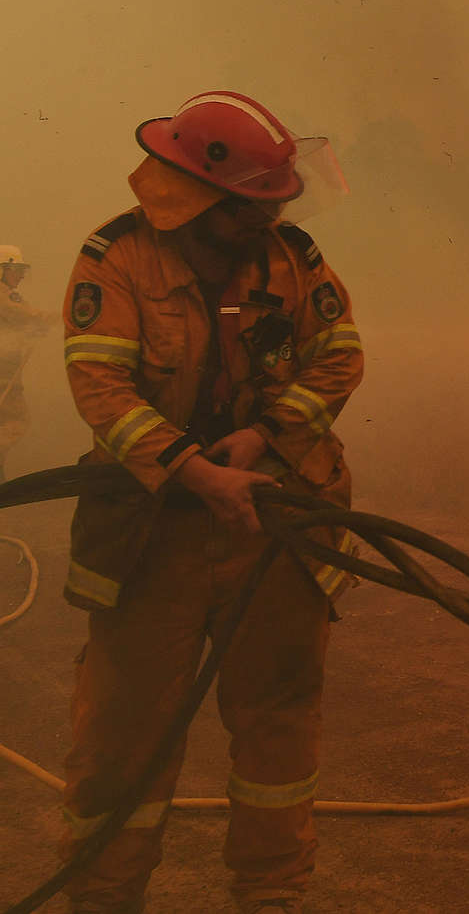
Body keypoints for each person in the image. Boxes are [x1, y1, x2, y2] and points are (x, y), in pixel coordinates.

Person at [58, 91, 363, 914]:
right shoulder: (116, 260)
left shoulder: (292, 260)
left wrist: (262, 438)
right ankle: (102, 900)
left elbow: (337, 358)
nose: (275, 218)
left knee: (278, 727)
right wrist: (196, 470)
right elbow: (102, 387)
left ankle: (271, 899)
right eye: (257, 206)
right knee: (124, 740)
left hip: (271, 530)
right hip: (152, 537)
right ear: (199, 200)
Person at [0, 245, 53, 477]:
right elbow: (22, 314)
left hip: (6, 375)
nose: (21, 275)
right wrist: (54, 318)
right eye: (16, 269)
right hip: (3, 378)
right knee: (16, 421)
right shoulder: (3, 294)